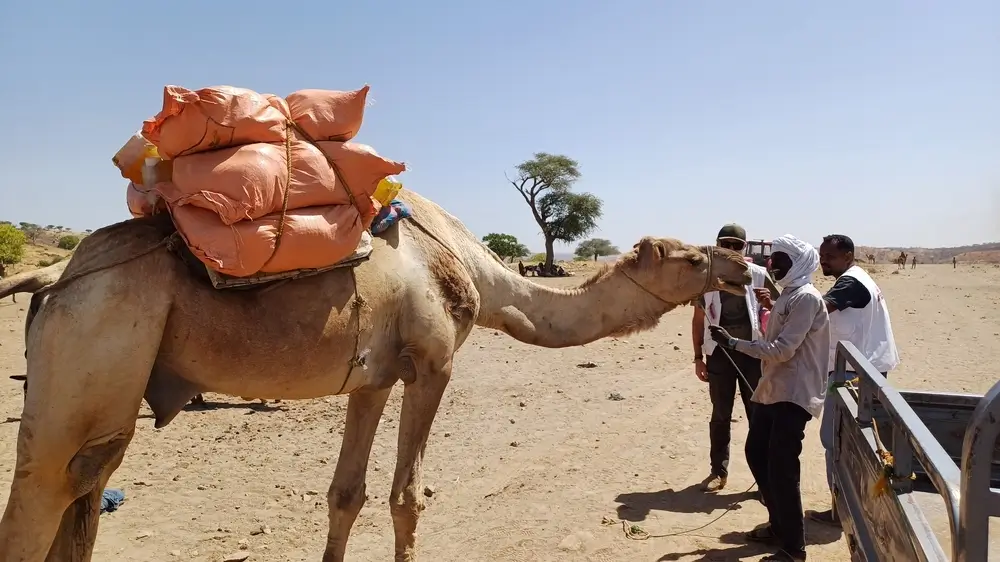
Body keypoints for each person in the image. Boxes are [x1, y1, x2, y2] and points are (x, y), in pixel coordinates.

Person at [708, 234, 829, 562]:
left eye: (780, 261)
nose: (773, 266)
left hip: (795, 392)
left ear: (799, 262)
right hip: (775, 388)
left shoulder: (806, 298)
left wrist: (734, 343)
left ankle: (793, 549)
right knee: (756, 452)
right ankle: (779, 525)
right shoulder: (790, 295)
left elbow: (783, 349)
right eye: (772, 260)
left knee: (782, 468)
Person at [807, 234, 900, 527]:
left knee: (836, 440)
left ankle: (841, 510)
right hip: (863, 370)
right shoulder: (855, 278)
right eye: (821, 255)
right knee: (852, 442)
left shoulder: (851, 283)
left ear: (848, 256)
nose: (823, 261)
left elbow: (817, 310)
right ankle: (850, 506)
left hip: (855, 375)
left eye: (830, 257)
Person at [691, 224, 779, 492]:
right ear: (717, 245)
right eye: (725, 245)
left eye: (736, 245)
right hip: (719, 356)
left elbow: (784, 313)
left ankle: (764, 479)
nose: (730, 250)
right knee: (720, 415)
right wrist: (697, 358)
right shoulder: (707, 280)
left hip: (753, 355)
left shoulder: (759, 275)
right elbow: (697, 320)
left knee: (758, 415)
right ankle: (718, 471)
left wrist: (769, 306)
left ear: (744, 247)